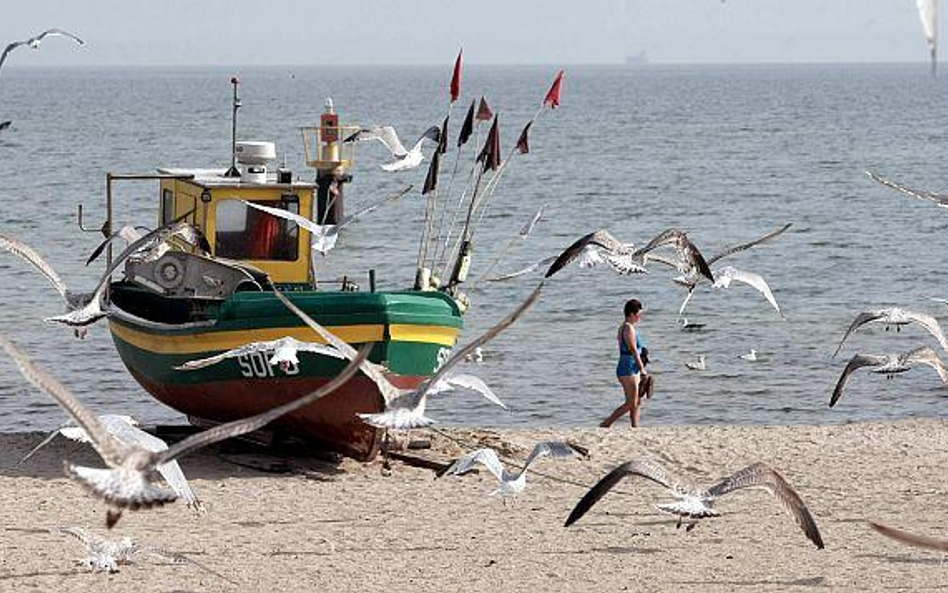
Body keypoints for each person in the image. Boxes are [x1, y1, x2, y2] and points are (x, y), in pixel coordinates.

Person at [600, 299, 649, 428]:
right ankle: (606, 423)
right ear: (632, 314)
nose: (640, 316)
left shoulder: (626, 327)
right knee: (631, 403)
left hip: (630, 367)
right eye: (639, 313)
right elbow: (632, 349)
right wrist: (642, 368)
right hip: (628, 368)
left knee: (637, 401)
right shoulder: (628, 328)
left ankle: (635, 427)